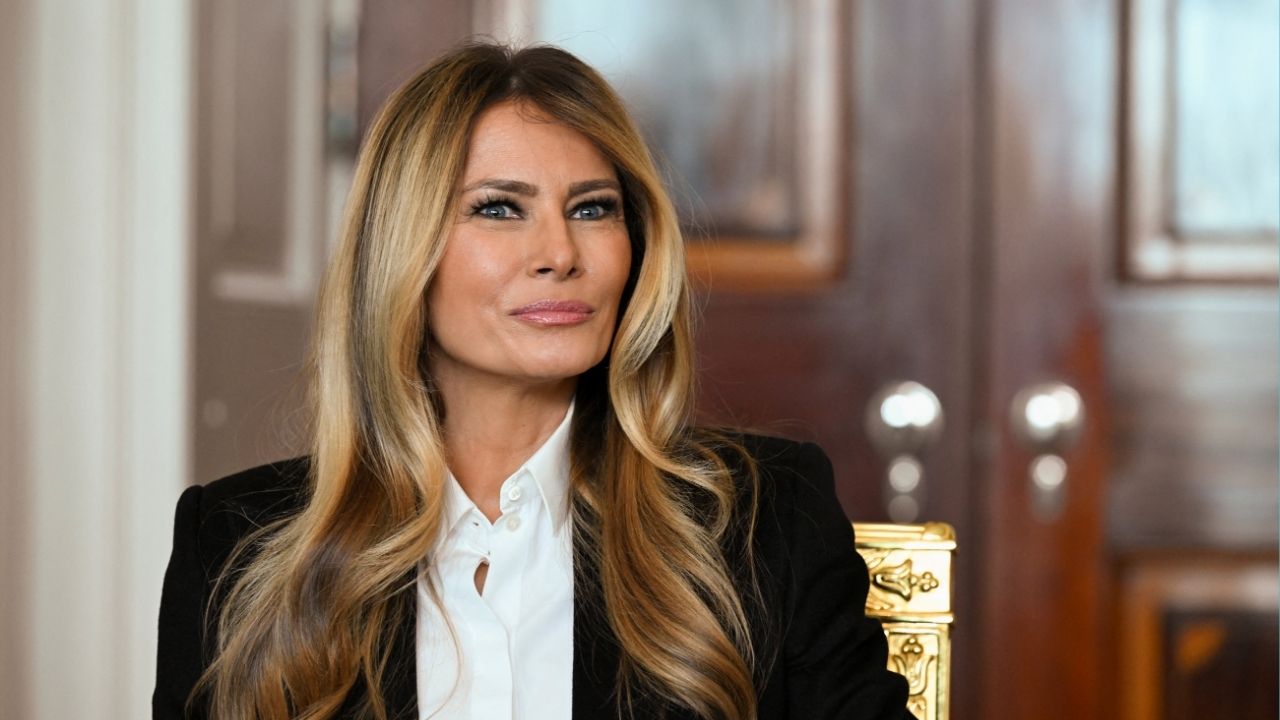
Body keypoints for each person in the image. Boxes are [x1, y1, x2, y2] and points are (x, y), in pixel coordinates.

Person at [154, 42, 912, 720]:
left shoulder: (765, 522)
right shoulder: (234, 546)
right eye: (498, 209)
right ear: (402, 250)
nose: (559, 252)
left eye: (592, 208)